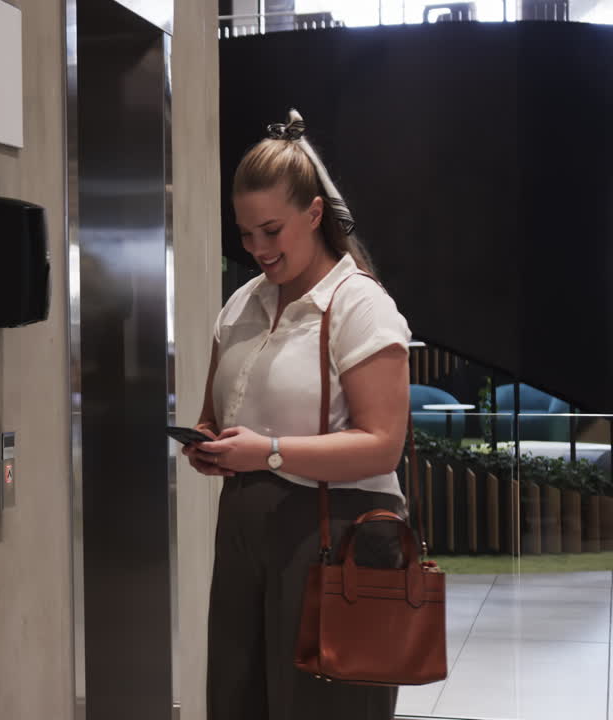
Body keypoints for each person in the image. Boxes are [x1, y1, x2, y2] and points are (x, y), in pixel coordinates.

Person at [183, 110, 413, 720]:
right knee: (238, 700)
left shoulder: (358, 304)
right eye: (244, 234)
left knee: (325, 708)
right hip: (245, 533)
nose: (257, 249)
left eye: (271, 230)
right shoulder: (241, 304)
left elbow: (384, 444)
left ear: (314, 215)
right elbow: (217, 412)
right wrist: (207, 444)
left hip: (339, 537)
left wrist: (269, 451)